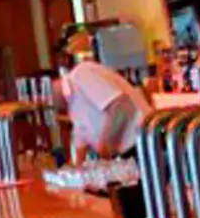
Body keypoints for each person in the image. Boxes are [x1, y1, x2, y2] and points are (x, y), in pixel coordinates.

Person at [59, 31, 152, 159]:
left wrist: (105, 147)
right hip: (132, 149)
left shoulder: (80, 73)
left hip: (142, 143)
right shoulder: (73, 101)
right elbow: (81, 136)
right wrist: (75, 171)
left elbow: (122, 105)